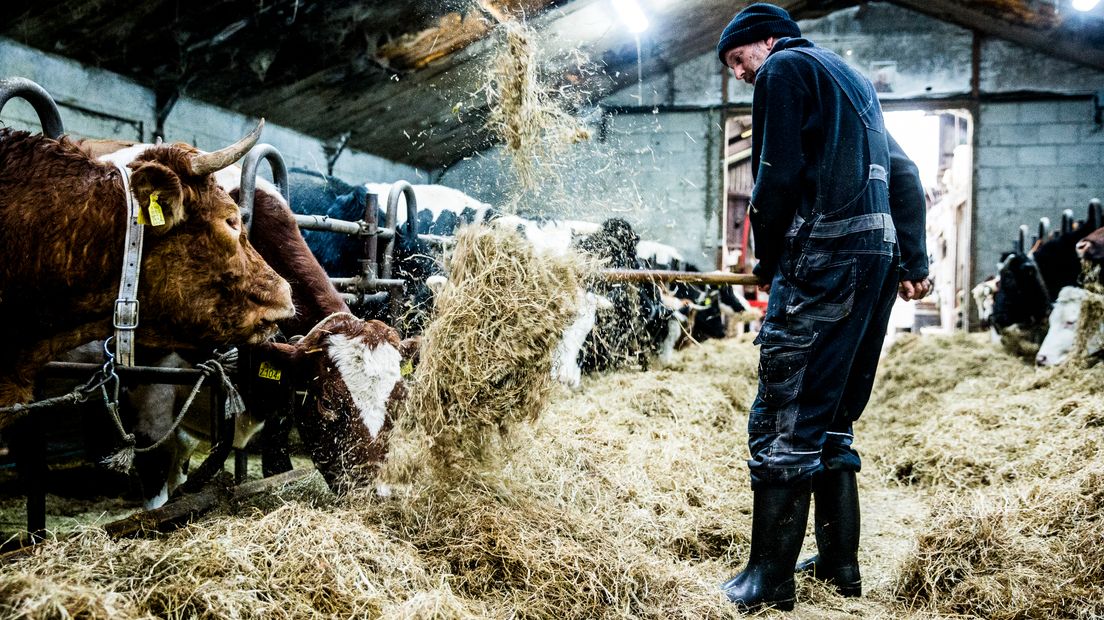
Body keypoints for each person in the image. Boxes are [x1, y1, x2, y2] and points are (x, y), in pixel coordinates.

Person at [715, 3, 931, 613]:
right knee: (832, 415)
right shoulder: (851, 81)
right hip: (875, 260)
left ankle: (768, 579)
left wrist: (766, 257)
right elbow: (907, 173)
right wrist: (915, 262)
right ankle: (840, 566)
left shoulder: (784, 70)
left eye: (737, 59)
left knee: (784, 412)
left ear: (766, 40)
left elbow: (775, 175)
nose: (739, 74)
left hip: (824, 258)